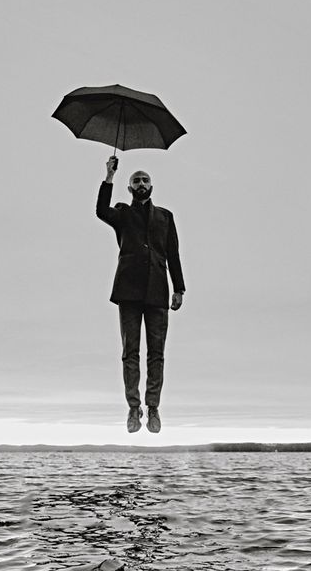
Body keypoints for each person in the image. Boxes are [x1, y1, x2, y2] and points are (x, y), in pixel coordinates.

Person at [96, 156, 185, 433]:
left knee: (156, 353)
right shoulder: (122, 213)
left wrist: (179, 288)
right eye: (136, 180)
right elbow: (100, 210)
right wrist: (108, 176)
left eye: (145, 179)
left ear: (152, 186)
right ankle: (133, 409)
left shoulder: (166, 217)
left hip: (158, 291)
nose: (142, 183)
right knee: (130, 352)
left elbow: (173, 253)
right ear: (130, 188)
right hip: (129, 291)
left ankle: (153, 407)